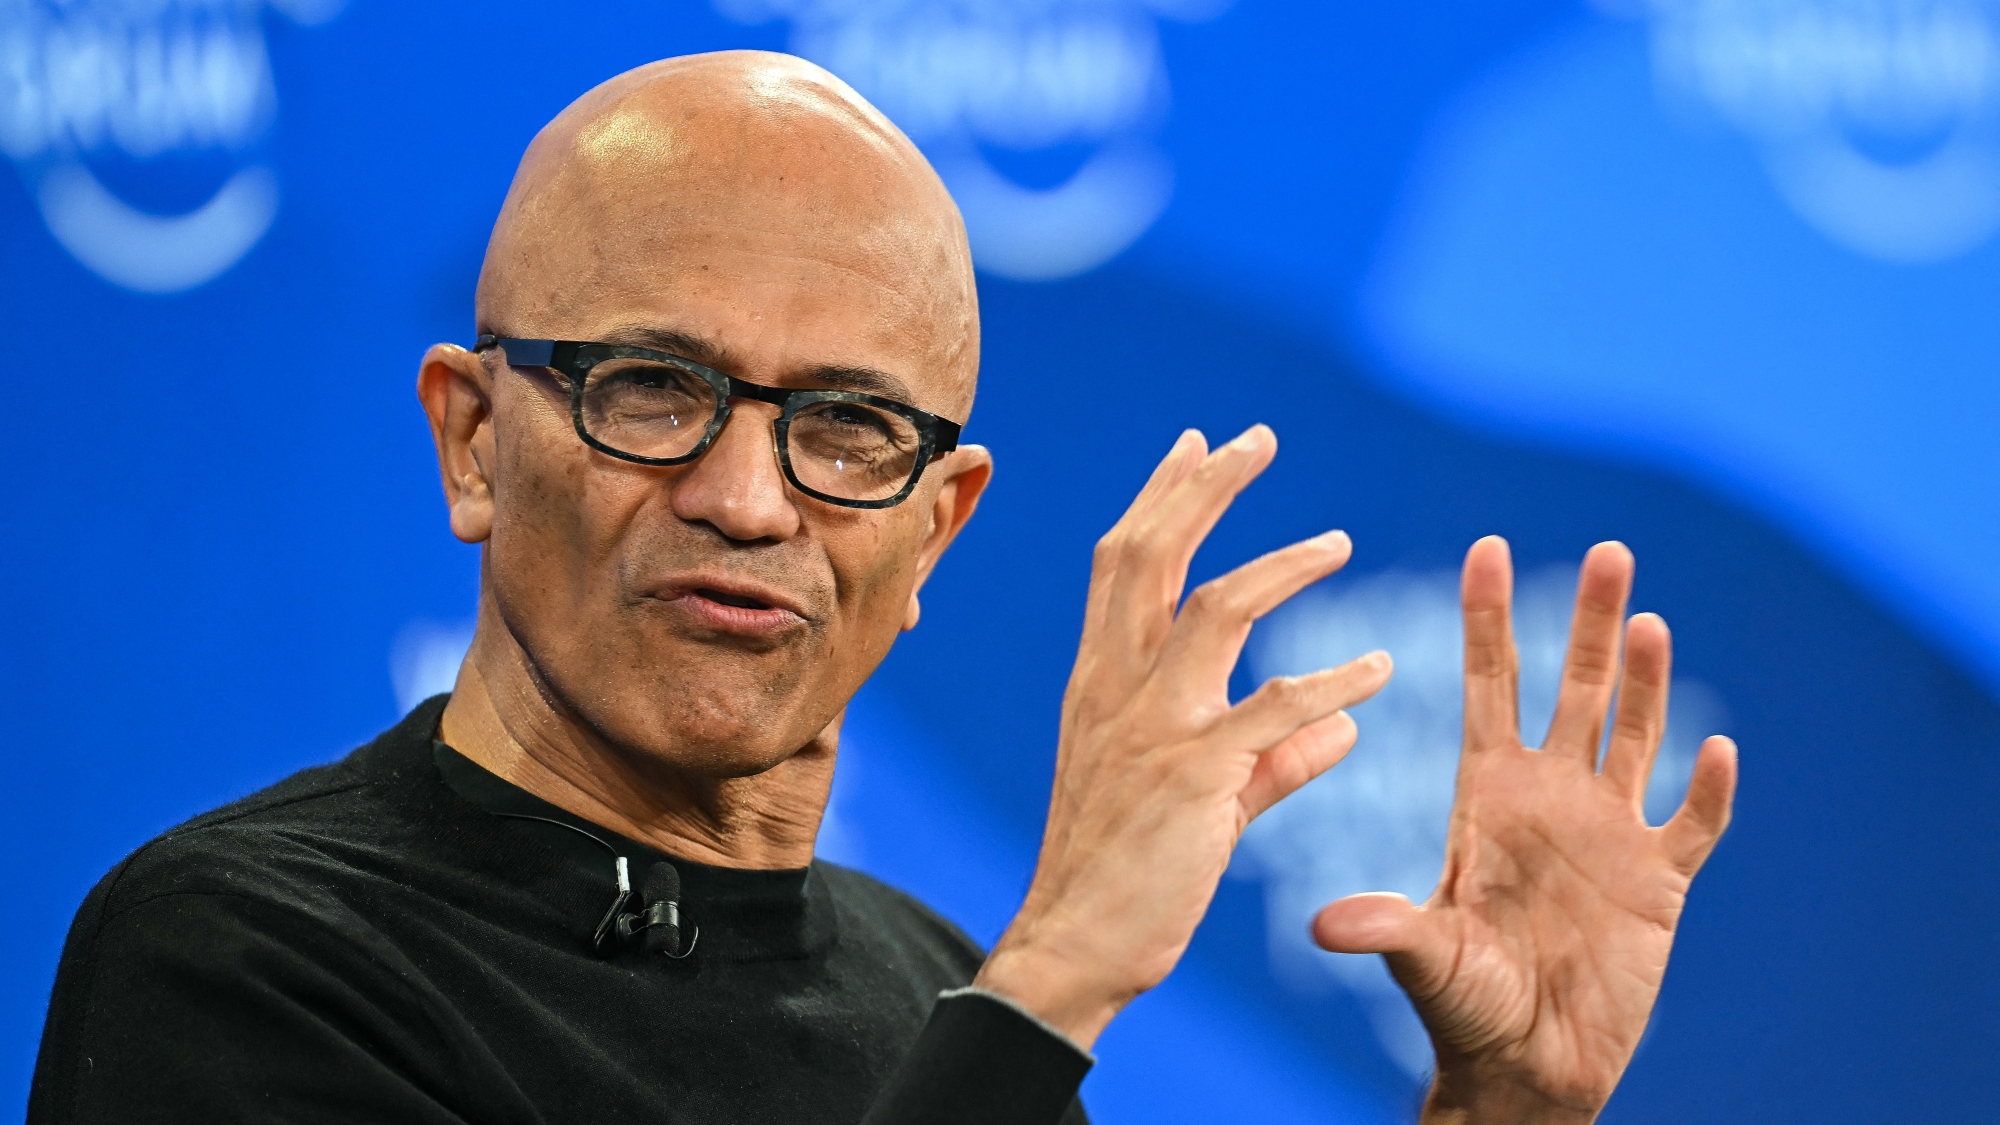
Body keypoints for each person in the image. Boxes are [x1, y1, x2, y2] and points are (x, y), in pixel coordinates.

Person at [28, 51, 1737, 1125]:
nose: (746, 496)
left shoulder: (928, 984)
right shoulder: (231, 957)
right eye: (649, 387)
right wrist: (1052, 975)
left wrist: (1498, 1114)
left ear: (932, 530)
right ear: (474, 441)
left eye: (846, 427)